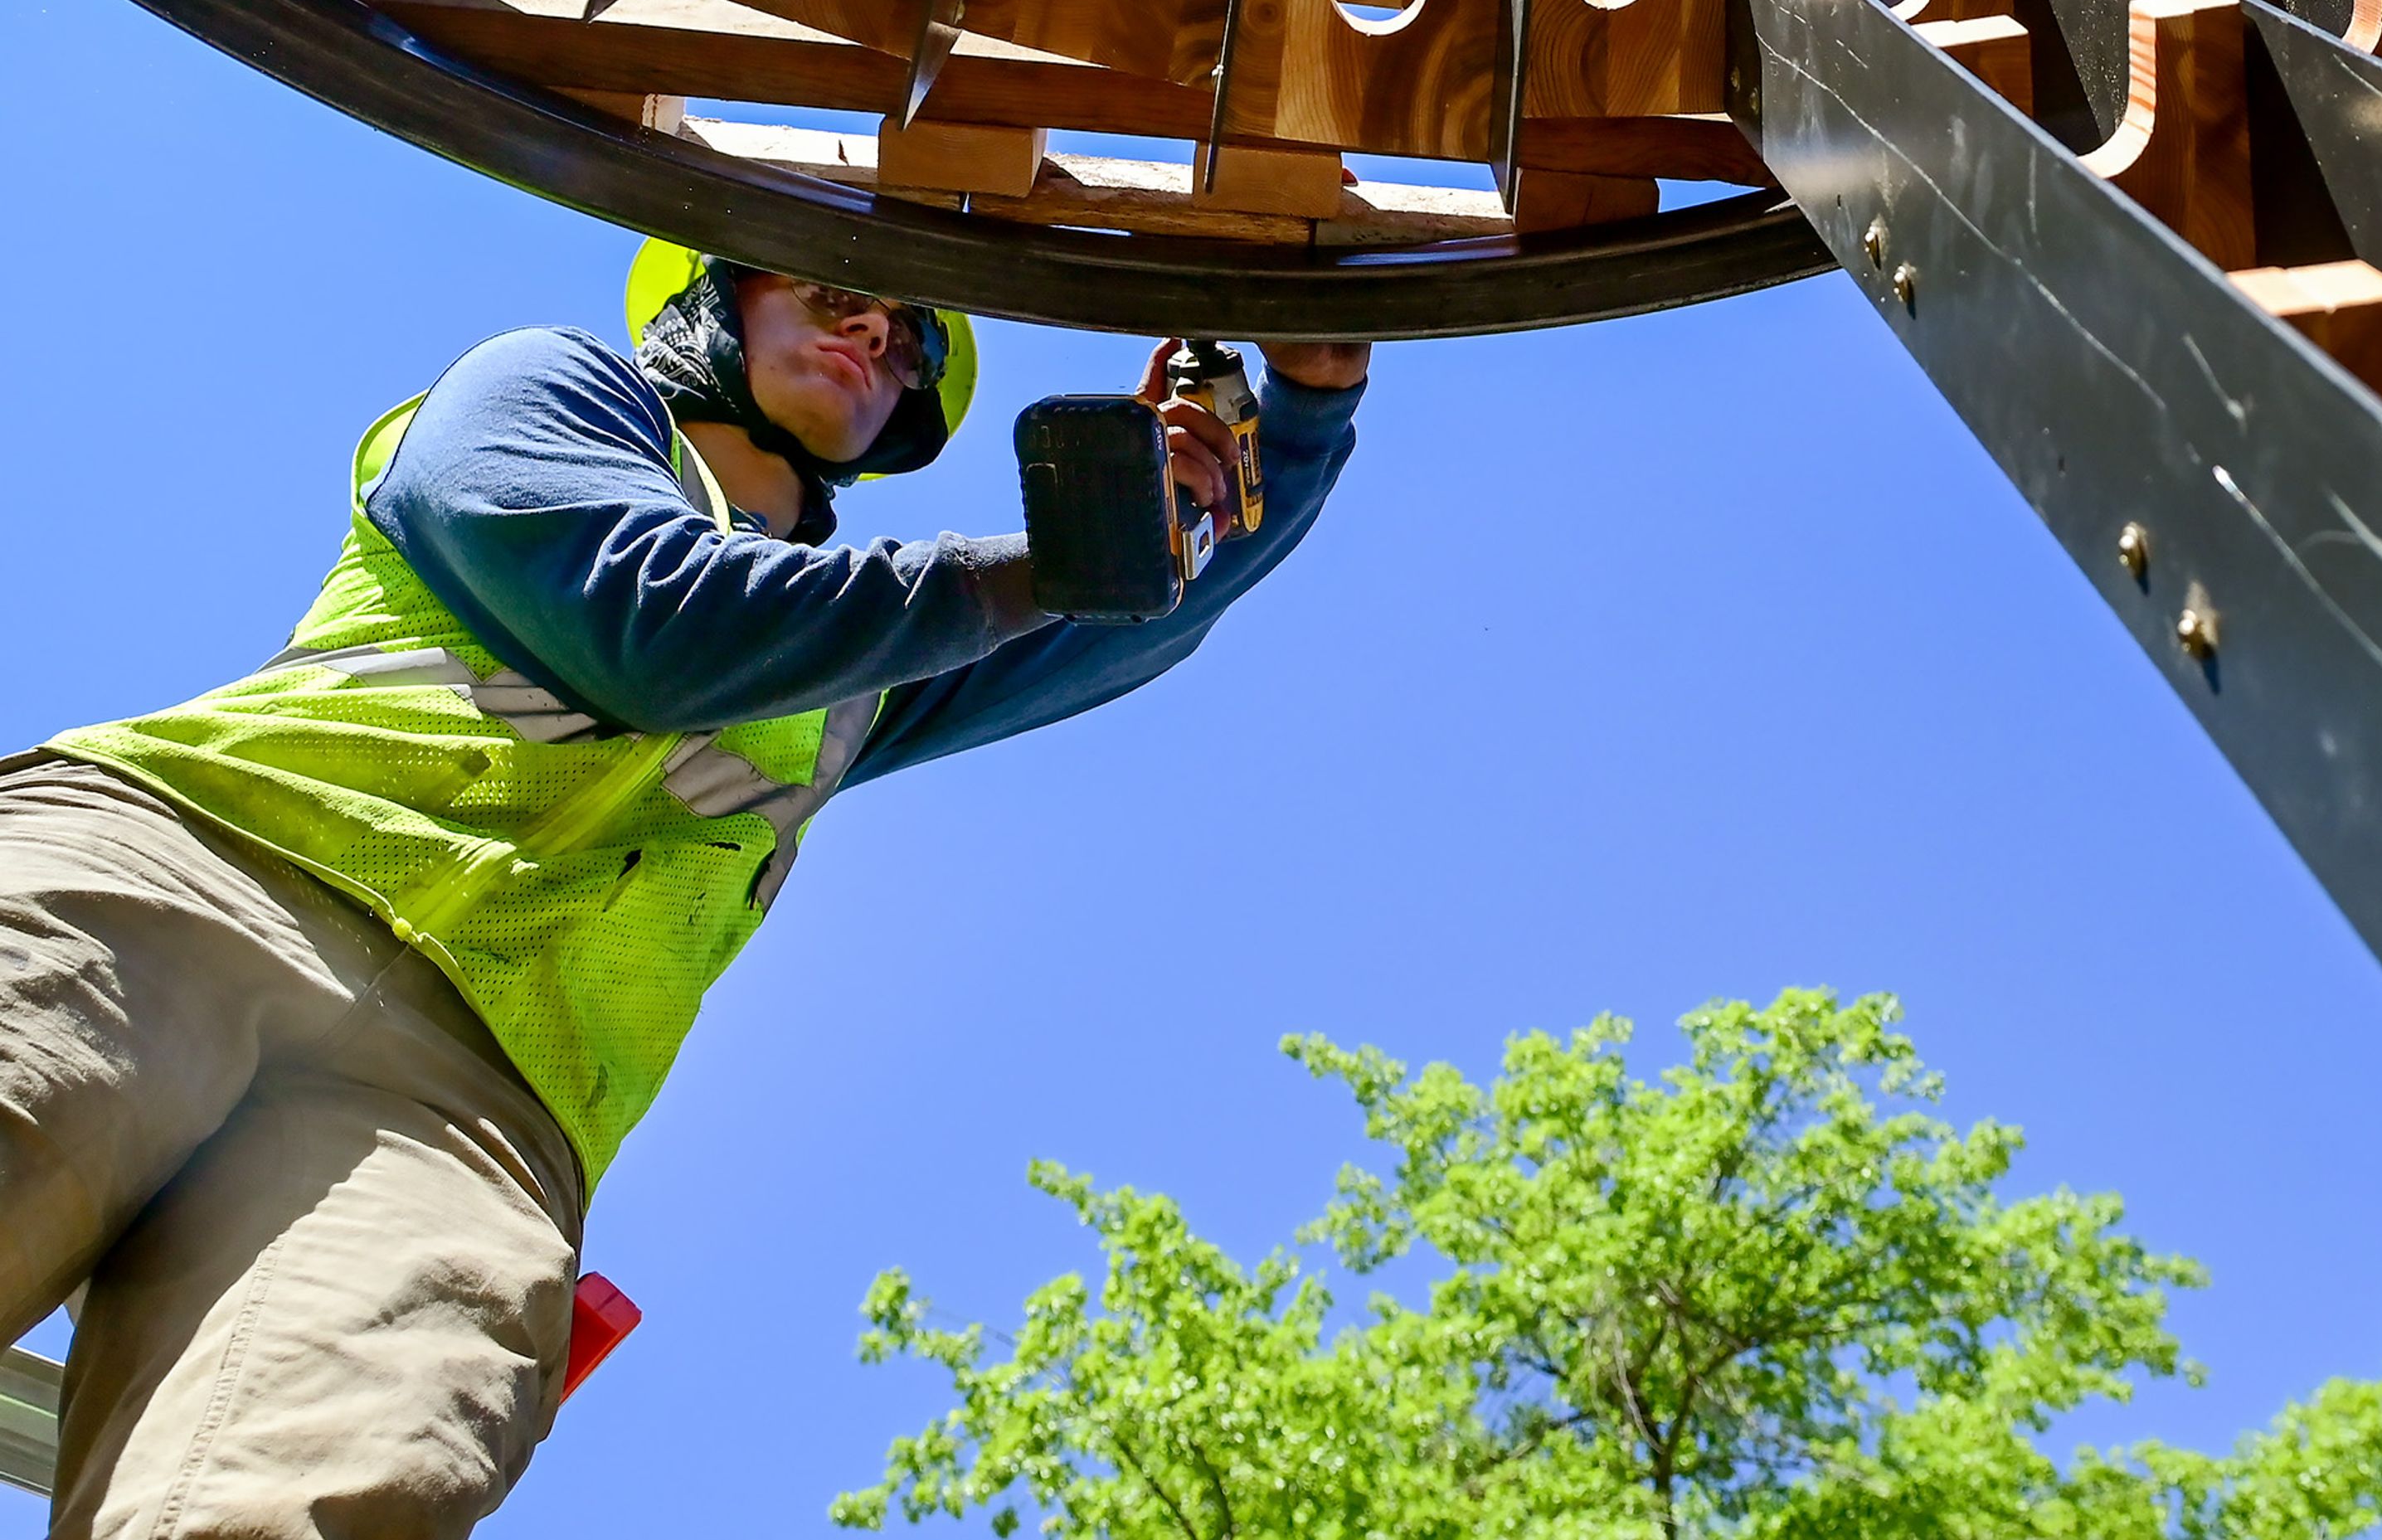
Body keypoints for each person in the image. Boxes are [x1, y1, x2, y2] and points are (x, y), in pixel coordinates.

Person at [0, 241, 1370, 1537]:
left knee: (329, 1477)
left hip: (467, 1106)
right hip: (179, 882)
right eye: (835, 286)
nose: (873, 332)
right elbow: (651, 620)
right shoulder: (550, 390)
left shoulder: (858, 674)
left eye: (904, 341)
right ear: (716, 292)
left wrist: (1294, 414)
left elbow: (1138, 614)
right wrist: (1044, 562)